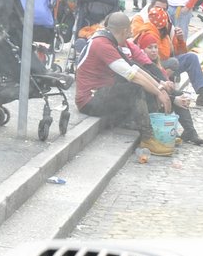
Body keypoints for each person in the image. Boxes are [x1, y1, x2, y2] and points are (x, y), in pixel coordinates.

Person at [75, 12, 184, 156]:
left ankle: (156, 130)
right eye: (129, 33)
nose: (130, 36)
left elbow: (134, 67)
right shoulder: (102, 44)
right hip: (90, 100)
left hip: (103, 92)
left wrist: (160, 87)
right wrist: (159, 93)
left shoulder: (108, 39)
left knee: (145, 86)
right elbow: (132, 76)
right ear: (124, 31)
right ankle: (148, 138)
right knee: (135, 88)